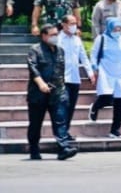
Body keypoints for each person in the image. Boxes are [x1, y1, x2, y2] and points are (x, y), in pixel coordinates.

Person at [26, 24, 78, 160]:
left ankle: (63, 148)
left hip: (57, 92)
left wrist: (62, 90)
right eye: (52, 35)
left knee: (60, 120)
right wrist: (41, 83)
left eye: (56, 34)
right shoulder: (35, 50)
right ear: (44, 36)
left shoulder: (60, 51)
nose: (55, 37)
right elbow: (33, 68)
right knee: (36, 123)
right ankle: (34, 149)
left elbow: (61, 71)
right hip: (38, 93)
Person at [88, 17, 121, 138]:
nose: (117, 31)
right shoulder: (101, 38)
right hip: (105, 70)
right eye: (115, 28)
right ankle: (95, 107)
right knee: (106, 96)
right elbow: (93, 53)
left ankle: (115, 129)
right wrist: (94, 67)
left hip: (120, 72)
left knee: (120, 101)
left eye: (119, 28)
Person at [58, 14, 92, 141]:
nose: (74, 26)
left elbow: (83, 57)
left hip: (74, 78)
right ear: (64, 24)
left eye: (75, 23)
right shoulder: (58, 39)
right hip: (62, 78)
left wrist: (90, 73)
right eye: (71, 23)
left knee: (71, 106)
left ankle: (65, 131)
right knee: (63, 106)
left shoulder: (77, 39)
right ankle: (61, 133)